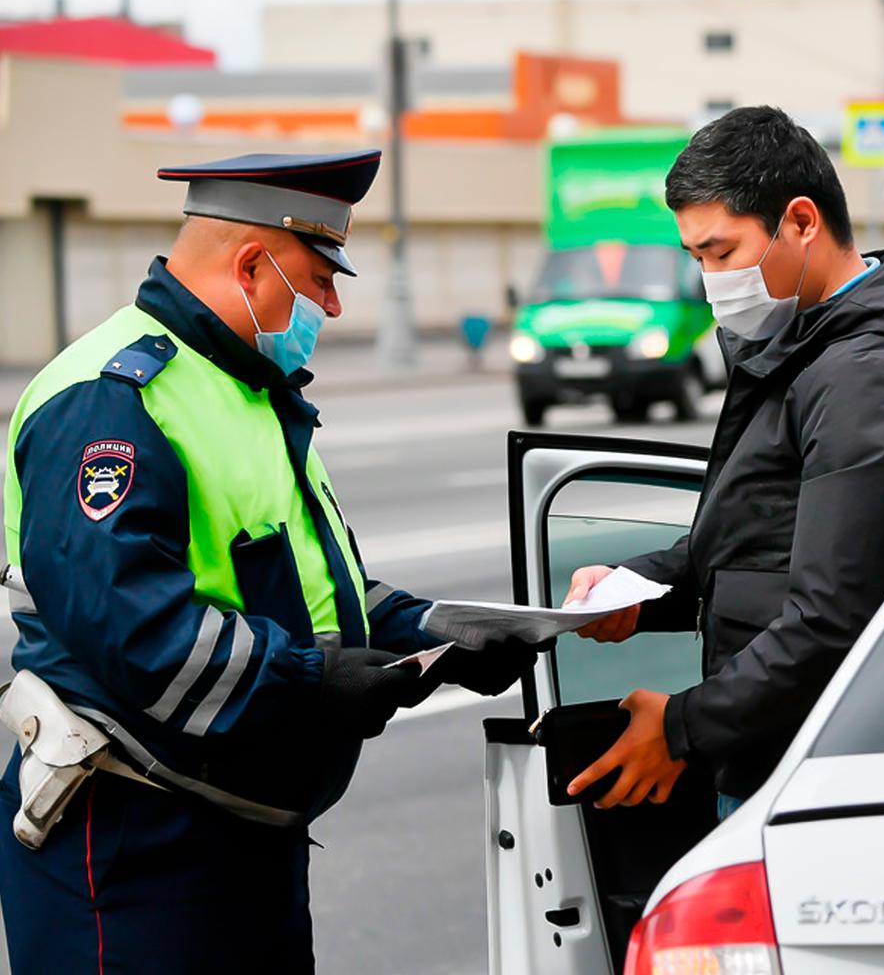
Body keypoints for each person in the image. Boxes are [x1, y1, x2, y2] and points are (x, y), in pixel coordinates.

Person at [0, 150, 532, 973]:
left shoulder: (246, 388)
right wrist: (315, 683)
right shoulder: (114, 397)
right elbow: (133, 626)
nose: (332, 302)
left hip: (238, 845)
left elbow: (302, 588)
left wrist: (431, 628)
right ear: (251, 264)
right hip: (134, 848)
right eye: (320, 279)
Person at [565, 106, 884, 818]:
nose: (710, 281)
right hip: (780, 755)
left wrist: (680, 726)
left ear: (802, 223)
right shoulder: (804, 349)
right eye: (696, 259)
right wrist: (638, 585)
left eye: (721, 253)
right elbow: (755, 543)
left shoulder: (868, 380)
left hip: (827, 777)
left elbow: (831, 618)